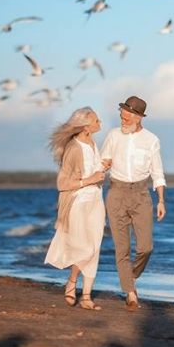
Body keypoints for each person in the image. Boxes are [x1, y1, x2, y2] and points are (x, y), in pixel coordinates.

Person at [100, 95, 166, 311]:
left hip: (141, 195)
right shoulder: (113, 136)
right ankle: (130, 293)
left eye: (127, 118)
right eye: (121, 117)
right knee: (122, 249)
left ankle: (130, 278)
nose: (123, 121)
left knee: (146, 248)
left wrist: (161, 201)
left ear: (138, 118)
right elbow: (102, 163)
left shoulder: (152, 140)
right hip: (116, 193)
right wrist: (104, 165)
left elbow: (157, 173)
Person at [44, 106, 108, 311]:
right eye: (97, 121)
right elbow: (63, 183)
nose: (100, 124)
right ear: (86, 126)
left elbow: (93, 171)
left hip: (96, 201)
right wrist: (90, 180)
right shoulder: (73, 148)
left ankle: (87, 296)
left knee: (95, 248)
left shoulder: (92, 142)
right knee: (84, 248)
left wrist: (103, 167)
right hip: (78, 203)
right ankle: (72, 282)